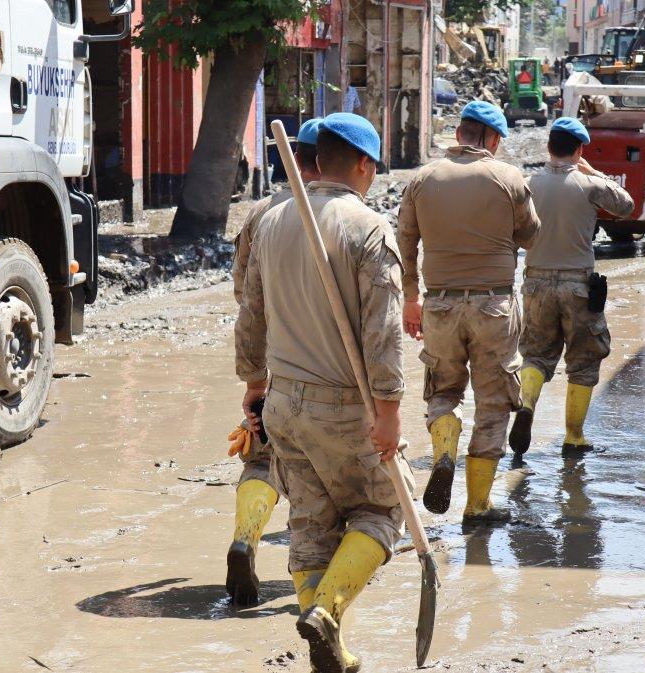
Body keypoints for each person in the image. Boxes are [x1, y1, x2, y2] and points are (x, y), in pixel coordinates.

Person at [235, 112, 413, 673]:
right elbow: (384, 335)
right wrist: (389, 413)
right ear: (362, 164)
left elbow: (251, 315)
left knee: (311, 526)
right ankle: (328, 616)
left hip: (284, 404)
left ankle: (326, 648)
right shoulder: (368, 229)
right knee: (383, 511)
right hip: (345, 407)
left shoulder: (271, 221)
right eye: (374, 167)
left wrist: (254, 385)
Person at [396, 101, 540, 524]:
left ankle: (445, 450)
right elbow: (531, 235)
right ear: (494, 140)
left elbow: (404, 240)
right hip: (494, 304)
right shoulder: (507, 176)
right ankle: (477, 505)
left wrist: (410, 298)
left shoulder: (422, 179)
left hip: (438, 303)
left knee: (443, 391)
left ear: (459, 134)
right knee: (493, 404)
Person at [224, 117, 321, 607]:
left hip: (270, 360)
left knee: (260, 459)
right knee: (316, 470)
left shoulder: (260, 212)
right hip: (322, 366)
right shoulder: (342, 212)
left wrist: (253, 376)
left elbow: (244, 295)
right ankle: (317, 584)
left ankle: (246, 538)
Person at [510, 118, 634, 463]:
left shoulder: (527, 184)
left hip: (535, 282)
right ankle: (574, 436)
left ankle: (527, 403)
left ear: (548, 148)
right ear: (579, 150)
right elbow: (626, 206)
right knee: (583, 360)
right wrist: (594, 173)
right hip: (578, 285)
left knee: (535, 353)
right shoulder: (588, 184)